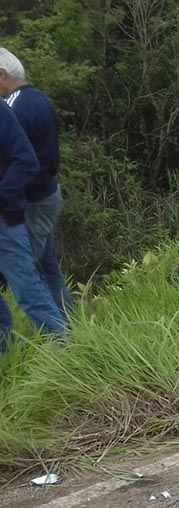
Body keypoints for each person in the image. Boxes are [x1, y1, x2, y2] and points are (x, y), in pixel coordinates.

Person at [0, 48, 71, 311]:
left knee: (27, 274)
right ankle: (70, 322)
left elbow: (21, 160)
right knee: (47, 267)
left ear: (1, 75)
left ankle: (56, 332)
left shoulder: (13, 107)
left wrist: (7, 195)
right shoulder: (39, 100)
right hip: (46, 194)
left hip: (32, 201)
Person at [0, 101, 66, 353]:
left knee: (28, 291)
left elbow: (26, 160)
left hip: (4, 221)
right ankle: (6, 354)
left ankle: (66, 354)